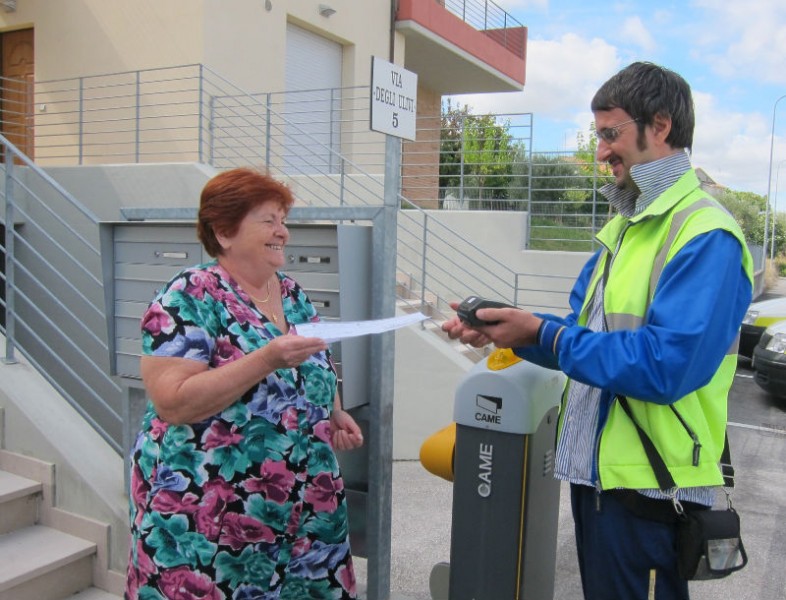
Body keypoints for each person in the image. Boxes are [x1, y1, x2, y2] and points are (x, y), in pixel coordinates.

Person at [442, 62, 753, 600]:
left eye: (611, 135)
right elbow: (584, 340)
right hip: (601, 480)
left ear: (659, 126)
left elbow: (665, 365)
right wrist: (512, 331)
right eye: (599, 136)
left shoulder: (706, 234)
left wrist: (545, 333)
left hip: (654, 489)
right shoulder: (624, 229)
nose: (601, 152)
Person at [125, 167, 364, 600]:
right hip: (215, 516)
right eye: (268, 220)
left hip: (307, 510)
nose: (283, 232)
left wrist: (334, 409)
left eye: (283, 220)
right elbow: (174, 404)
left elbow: (317, 361)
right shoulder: (188, 296)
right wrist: (265, 359)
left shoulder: (291, 293)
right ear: (224, 231)